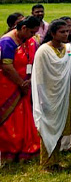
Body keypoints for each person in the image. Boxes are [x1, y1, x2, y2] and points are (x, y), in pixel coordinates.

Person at [31, 19, 71, 168]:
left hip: (63, 95)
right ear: (53, 33)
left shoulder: (68, 48)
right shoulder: (43, 51)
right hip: (47, 96)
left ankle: (56, 160)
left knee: (60, 128)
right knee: (47, 127)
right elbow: (39, 77)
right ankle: (46, 163)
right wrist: (42, 99)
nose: (66, 34)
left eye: (67, 31)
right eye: (62, 32)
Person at [0, 15, 40, 162]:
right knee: (11, 119)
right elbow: (6, 66)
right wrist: (20, 83)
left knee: (25, 116)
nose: (33, 36)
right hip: (9, 86)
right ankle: (9, 150)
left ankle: (25, 147)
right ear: (23, 28)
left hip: (25, 84)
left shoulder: (28, 40)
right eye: (31, 32)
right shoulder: (7, 41)